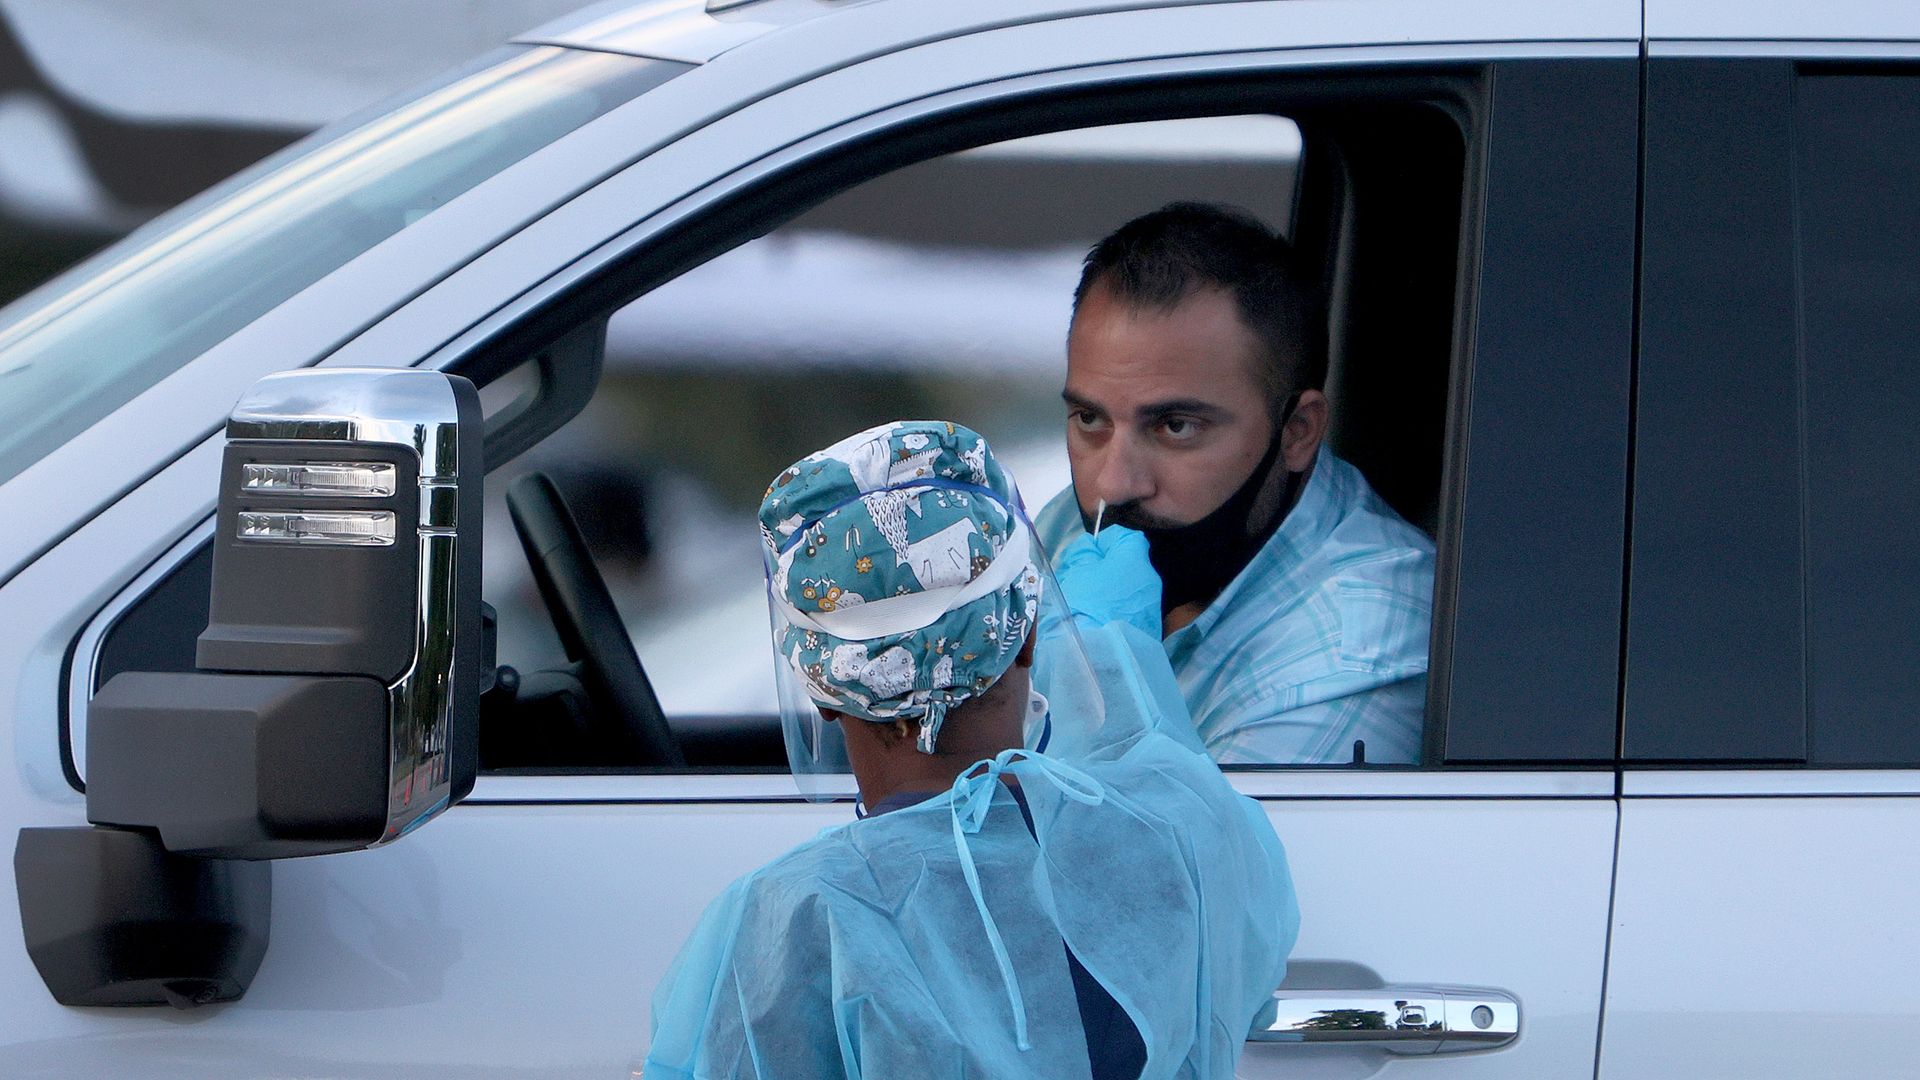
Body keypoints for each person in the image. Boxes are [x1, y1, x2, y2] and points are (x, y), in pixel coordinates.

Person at [643, 420, 1297, 1080]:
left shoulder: (797, 917)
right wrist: (1106, 657)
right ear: (1031, 639)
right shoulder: (1173, 833)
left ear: (822, 688)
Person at [1035, 202, 1436, 765]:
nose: (1114, 484)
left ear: (1296, 432)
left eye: (1175, 427)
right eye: (1090, 420)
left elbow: (1185, 853)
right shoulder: (1073, 526)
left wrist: (1092, 692)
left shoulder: (1356, 654)